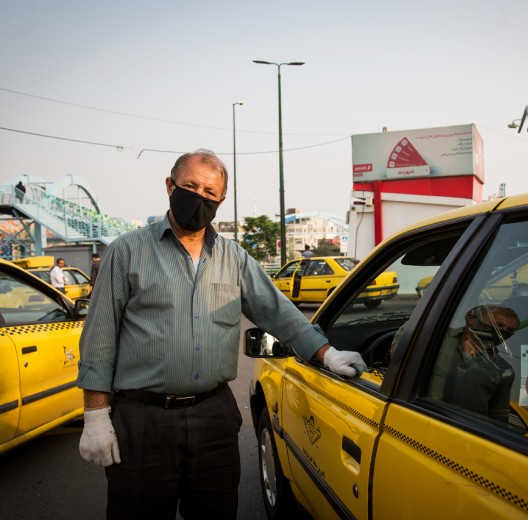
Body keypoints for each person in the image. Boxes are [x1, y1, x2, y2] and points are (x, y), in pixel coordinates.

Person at [76, 149, 364, 520]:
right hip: (143, 420)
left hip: (214, 417)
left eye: (210, 194)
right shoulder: (127, 252)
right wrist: (96, 417)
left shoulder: (235, 258)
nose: (199, 198)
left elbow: (280, 314)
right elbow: (99, 338)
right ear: (169, 186)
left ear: (221, 201)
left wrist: (327, 353)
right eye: (190, 186)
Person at [441, 304, 519, 422]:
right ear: (470, 319)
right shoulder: (435, 338)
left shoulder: (501, 370)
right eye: (498, 325)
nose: (502, 332)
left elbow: (498, 420)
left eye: (509, 330)